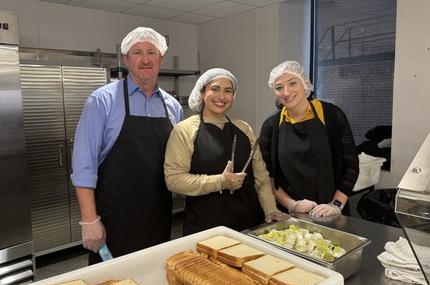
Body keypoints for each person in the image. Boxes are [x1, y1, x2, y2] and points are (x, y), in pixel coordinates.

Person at [71, 27, 184, 264]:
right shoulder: (102, 101)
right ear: (125, 59)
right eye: (137, 52)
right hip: (113, 219)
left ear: (160, 58)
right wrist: (90, 220)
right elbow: (84, 166)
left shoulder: (173, 107)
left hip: (158, 215)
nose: (145, 59)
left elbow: (178, 163)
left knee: (153, 279)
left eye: (151, 52)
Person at [164, 68, 288, 235]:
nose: (222, 96)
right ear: (202, 93)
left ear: (233, 96)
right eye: (215, 89)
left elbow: (260, 176)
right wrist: (220, 182)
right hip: (206, 225)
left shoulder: (243, 128)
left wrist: (270, 209)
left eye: (228, 91)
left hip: (250, 223)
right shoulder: (184, 130)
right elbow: (174, 180)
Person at [259, 61, 359, 218]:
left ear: (304, 84)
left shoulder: (331, 115)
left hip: (331, 213)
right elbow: (267, 175)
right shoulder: (271, 126)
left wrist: (336, 204)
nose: (286, 92)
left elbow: (351, 166)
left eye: (292, 83)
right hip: (290, 215)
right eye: (279, 87)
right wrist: (291, 204)